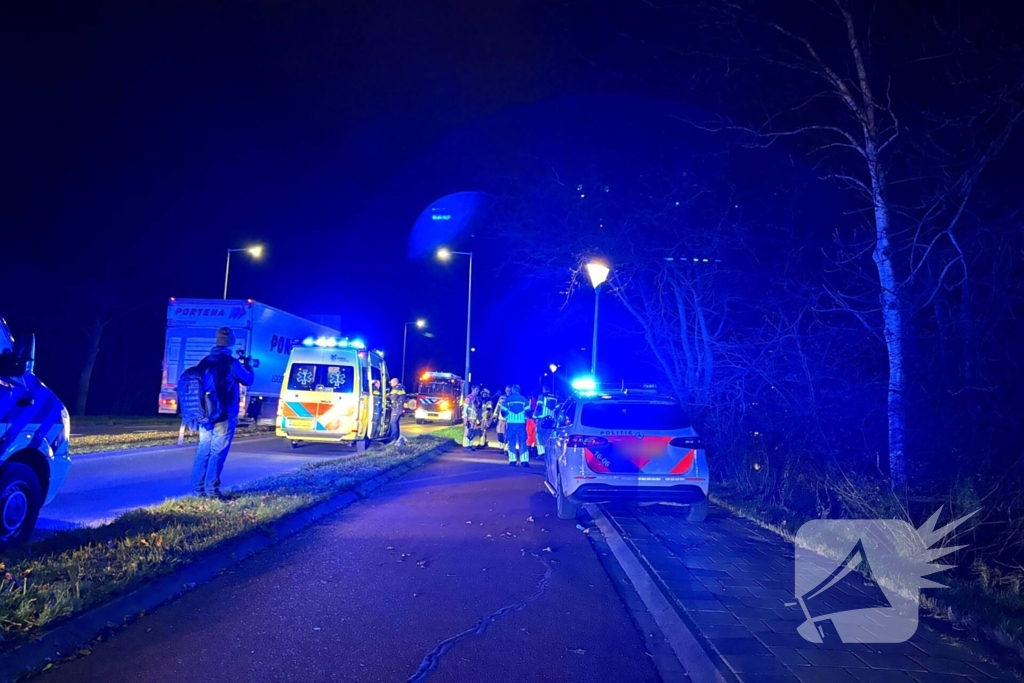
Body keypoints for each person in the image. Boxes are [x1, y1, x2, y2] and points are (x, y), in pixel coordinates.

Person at [191, 327, 255, 499]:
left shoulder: (205, 361)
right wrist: (248, 366)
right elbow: (248, 380)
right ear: (231, 342)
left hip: (205, 415)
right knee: (217, 451)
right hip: (224, 415)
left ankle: (198, 491)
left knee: (203, 450)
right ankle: (212, 491)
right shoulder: (231, 362)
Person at [502, 384, 530, 467]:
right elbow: (528, 413)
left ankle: (512, 460)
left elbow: (503, 412)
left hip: (511, 423)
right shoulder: (524, 400)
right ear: (519, 390)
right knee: (523, 441)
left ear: (513, 390)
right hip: (521, 423)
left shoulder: (508, 400)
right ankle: (524, 461)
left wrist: (508, 417)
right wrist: (523, 418)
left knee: (511, 441)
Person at [388, 377, 407, 444]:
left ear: (395, 382)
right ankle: (397, 437)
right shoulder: (400, 387)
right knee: (396, 423)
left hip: (397, 408)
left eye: (391, 383)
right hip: (399, 408)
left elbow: (393, 397)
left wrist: (387, 396)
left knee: (393, 422)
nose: (391, 384)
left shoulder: (396, 388)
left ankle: (394, 438)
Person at [462, 385, 481, 450]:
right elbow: (465, 409)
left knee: (472, 431)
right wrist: (465, 418)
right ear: (472, 389)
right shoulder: (468, 398)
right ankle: (465, 445)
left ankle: (470, 444)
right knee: (468, 430)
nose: (477, 391)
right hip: (469, 417)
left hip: (474, 417)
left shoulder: (476, 398)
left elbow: (477, 408)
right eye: (476, 390)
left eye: (478, 390)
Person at [494, 385, 511, 453]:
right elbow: (497, 407)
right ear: (505, 391)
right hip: (501, 418)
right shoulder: (502, 398)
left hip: (509, 419)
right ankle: (501, 446)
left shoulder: (513, 398)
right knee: (500, 433)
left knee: (508, 434)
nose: (508, 392)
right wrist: (495, 415)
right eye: (507, 390)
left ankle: (506, 448)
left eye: (510, 391)